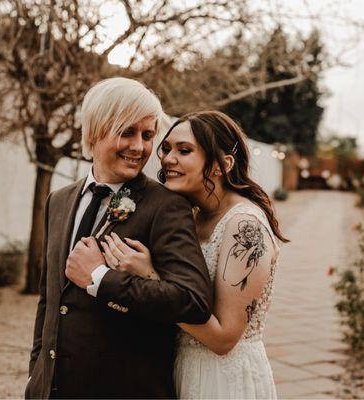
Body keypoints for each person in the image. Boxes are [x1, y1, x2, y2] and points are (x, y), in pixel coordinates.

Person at [25, 77, 212, 399]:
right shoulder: (58, 200)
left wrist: (101, 277)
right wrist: (37, 377)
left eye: (148, 135)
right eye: (127, 132)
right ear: (95, 131)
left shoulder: (166, 207)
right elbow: (50, 299)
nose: (139, 147)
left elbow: (192, 302)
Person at [100, 110, 289, 399]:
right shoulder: (191, 215)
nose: (167, 159)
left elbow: (224, 338)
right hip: (180, 368)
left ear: (222, 164)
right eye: (167, 149)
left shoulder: (245, 225)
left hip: (223, 378)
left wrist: (149, 277)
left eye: (184, 150)